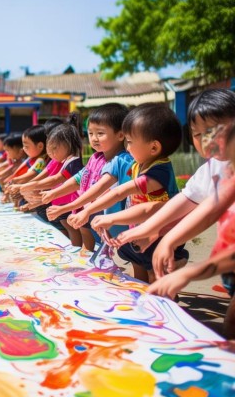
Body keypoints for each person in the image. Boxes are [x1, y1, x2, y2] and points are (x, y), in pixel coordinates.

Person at [111, 89, 235, 254]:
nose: (207, 140)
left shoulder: (158, 171)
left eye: (214, 130)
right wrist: (156, 231)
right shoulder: (211, 169)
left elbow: (208, 212)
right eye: (197, 134)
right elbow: (186, 200)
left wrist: (162, 235)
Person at [148, 120, 235, 339]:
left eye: (216, 133)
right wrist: (167, 237)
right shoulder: (224, 171)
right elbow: (207, 207)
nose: (208, 142)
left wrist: (192, 272)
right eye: (199, 134)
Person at [85, 103, 185, 283]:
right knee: (134, 261)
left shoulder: (158, 171)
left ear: (153, 148)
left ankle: (177, 262)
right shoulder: (139, 164)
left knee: (156, 277)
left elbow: (123, 195)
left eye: (130, 142)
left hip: (161, 234)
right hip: (144, 230)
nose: (127, 148)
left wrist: (104, 216)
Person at [43, 103, 128, 251]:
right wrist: (53, 193)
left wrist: (70, 207)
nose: (94, 138)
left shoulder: (122, 161)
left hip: (115, 222)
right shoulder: (96, 158)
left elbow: (100, 188)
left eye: (100, 133)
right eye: (90, 133)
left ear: (121, 135)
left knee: (127, 259)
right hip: (94, 217)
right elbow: (78, 179)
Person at [17, 122, 83, 232]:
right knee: (68, 230)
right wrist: (32, 201)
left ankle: (80, 248)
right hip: (58, 203)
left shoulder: (72, 162)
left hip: (67, 204)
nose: (51, 153)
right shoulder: (59, 161)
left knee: (75, 230)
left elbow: (54, 180)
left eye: (54, 148)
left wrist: (24, 186)